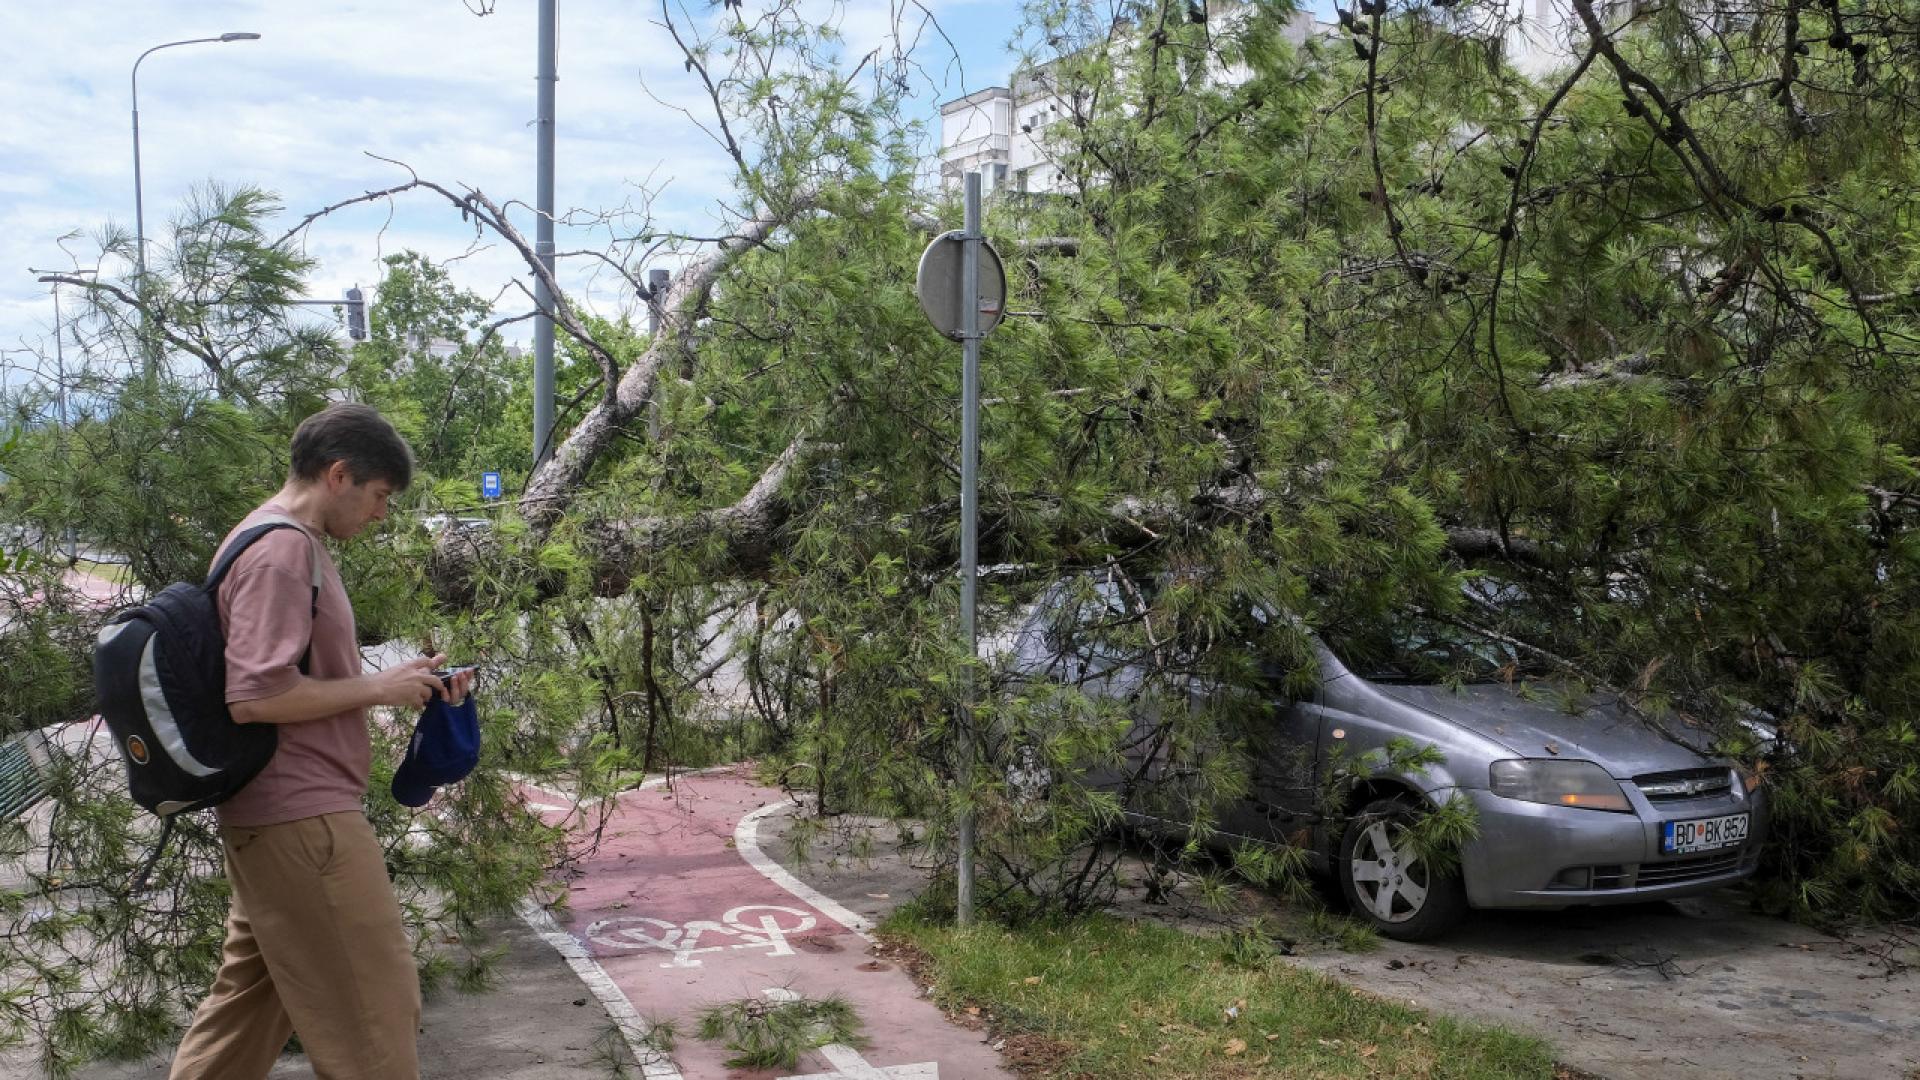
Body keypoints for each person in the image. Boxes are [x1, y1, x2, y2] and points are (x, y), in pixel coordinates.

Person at [169, 403, 475, 1080]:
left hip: (277, 819)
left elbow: (287, 680)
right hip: (302, 819)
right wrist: (378, 690)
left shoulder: (268, 538)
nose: (380, 515)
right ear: (339, 475)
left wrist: (402, 682)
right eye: (379, 497)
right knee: (375, 1017)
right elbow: (256, 697)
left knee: (247, 1012)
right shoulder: (283, 549)